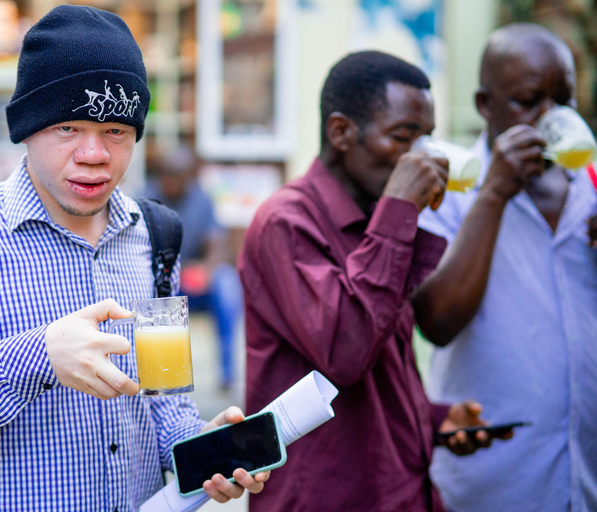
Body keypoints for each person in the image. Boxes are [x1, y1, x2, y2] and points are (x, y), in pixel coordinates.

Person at [0, 6, 267, 511]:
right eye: (68, 128)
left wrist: (200, 444)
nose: (94, 153)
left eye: (116, 131)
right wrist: (38, 358)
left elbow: (164, 399)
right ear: (27, 128)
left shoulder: (157, 234)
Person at [238, 50, 506, 512]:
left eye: (428, 139)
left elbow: (384, 366)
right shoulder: (286, 221)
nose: (422, 157)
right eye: (404, 138)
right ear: (341, 132)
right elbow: (346, 350)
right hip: (326, 498)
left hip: (403, 488)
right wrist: (400, 210)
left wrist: (434, 419)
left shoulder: (377, 217)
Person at [412, 23, 597, 511]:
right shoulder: (448, 192)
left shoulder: (592, 186)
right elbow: (438, 322)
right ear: (483, 105)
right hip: (494, 481)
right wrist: (493, 192)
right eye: (528, 100)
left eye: (564, 101)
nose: (549, 118)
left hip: (587, 477)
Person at [142, 145, 243, 391]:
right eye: (167, 174)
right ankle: (164, 377)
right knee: (158, 285)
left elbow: (218, 245)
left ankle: (227, 374)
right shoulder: (145, 199)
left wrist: (205, 269)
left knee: (227, 281)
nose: (172, 180)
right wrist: (168, 272)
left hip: (193, 279)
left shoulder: (201, 200)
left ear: (189, 176)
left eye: (178, 175)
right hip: (159, 279)